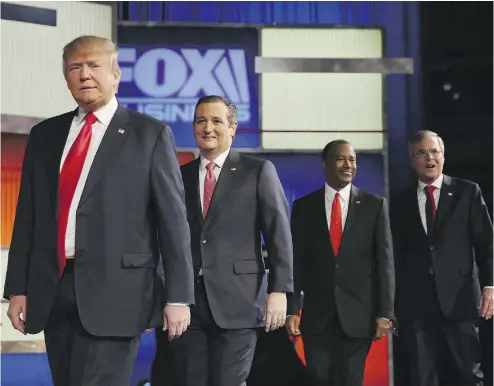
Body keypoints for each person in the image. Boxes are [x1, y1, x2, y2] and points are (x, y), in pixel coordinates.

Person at [3, 35, 195, 386]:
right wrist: (18, 287)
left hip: (119, 293)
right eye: (75, 67)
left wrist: (178, 296)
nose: (84, 75)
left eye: (94, 66)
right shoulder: (45, 134)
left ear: (116, 73)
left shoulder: (149, 135)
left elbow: (173, 223)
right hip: (54, 289)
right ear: (65, 76)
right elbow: (28, 216)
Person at [169, 95, 293, 386]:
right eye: (201, 121)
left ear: (233, 127)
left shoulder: (258, 171)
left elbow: (279, 235)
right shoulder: (179, 176)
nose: (208, 128)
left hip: (240, 301)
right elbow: (168, 239)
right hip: (189, 305)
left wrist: (280, 290)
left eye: (216, 121)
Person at [286, 140, 395, 386]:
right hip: (317, 317)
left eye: (352, 160)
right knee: (319, 378)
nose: (348, 165)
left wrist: (384, 313)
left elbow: (384, 263)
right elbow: (297, 263)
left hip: (359, 316)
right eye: (341, 159)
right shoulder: (304, 207)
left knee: (350, 380)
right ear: (325, 165)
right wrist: (292, 309)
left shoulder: (374, 205)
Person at [390, 130, 493, 386]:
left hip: (460, 302)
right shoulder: (400, 202)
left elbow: (487, 244)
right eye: (421, 152)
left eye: (434, 151)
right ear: (412, 159)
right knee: (422, 378)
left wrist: (490, 286)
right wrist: (390, 305)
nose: (429, 158)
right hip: (416, 307)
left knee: (468, 375)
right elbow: (393, 257)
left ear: (443, 156)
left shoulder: (467, 192)